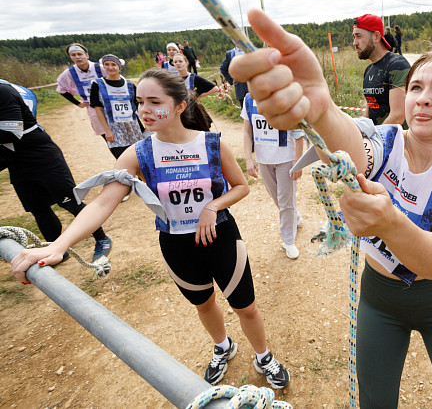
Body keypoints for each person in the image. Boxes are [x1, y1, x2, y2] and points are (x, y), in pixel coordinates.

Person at [230, 8, 432, 408]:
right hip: (378, 298)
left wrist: (392, 224)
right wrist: (320, 109)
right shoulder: (388, 142)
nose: (424, 97)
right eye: (416, 87)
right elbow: (352, 151)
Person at [10, 68, 290, 390]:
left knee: (246, 307)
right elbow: (103, 203)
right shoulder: (137, 154)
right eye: (139, 101)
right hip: (176, 245)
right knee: (204, 304)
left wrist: (213, 206)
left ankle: (263, 355)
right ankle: (223, 346)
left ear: (180, 106)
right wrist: (58, 244)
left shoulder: (212, 144)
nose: (143, 110)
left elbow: (241, 187)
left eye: (154, 101)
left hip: (221, 236)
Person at [0, 81, 112, 269]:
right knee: (38, 209)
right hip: (15, 161)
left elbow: (12, 132)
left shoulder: (3, 90)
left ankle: (102, 239)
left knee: (69, 201)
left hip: (42, 156)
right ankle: (54, 249)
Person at [241, 92, 304, 259]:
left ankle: (288, 241)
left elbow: (298, 133)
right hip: (263, 160)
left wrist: (298, 161)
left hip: (286, 158)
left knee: (285, 200)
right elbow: (247, 131)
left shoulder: (286, 96)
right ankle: (294, 216)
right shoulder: (249, 100)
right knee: (278, 198)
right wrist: (249, 158)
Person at [352, 14, 411, 126]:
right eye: (353, 37)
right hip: (376, 140)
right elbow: (371, 108)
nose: (354, 43)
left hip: (396, 141)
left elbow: (398, 115)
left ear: (376, 37)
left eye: (359, 36)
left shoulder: (397, 65)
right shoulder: (369, 70)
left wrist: (375, 139)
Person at [89, 54, 145, 160]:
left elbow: (139, 106)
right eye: (107, 64)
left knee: (141, 159)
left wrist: (146, 124)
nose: (110, 67)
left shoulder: (129, 85)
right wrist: (107, 131)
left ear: (119, 66)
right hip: (115, 131)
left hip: (134, 128)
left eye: (113, 64)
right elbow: (98, 109)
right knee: (123, 161)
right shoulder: (97, 84)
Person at [55, 43, 107, 140]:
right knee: (107, 136)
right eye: (73, 55)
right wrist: (78, 103)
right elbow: (61, 89)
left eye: (80, 54)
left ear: (86, 55)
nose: (77, 57)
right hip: (93, 108)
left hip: (109, 104)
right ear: (70, 57)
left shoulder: (100, 68)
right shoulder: (69, 73)